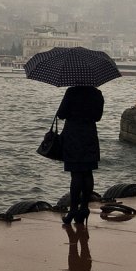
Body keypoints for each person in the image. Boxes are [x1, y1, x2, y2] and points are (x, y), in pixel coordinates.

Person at [57, 85, 104, 226]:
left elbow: (61, 114)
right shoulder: (97, 93)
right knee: (88, 172)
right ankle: (84, 208)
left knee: (76, 175)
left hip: (73, 136)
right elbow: (98, 117)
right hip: (89, 136)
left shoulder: (71, 91)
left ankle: (72, 210)